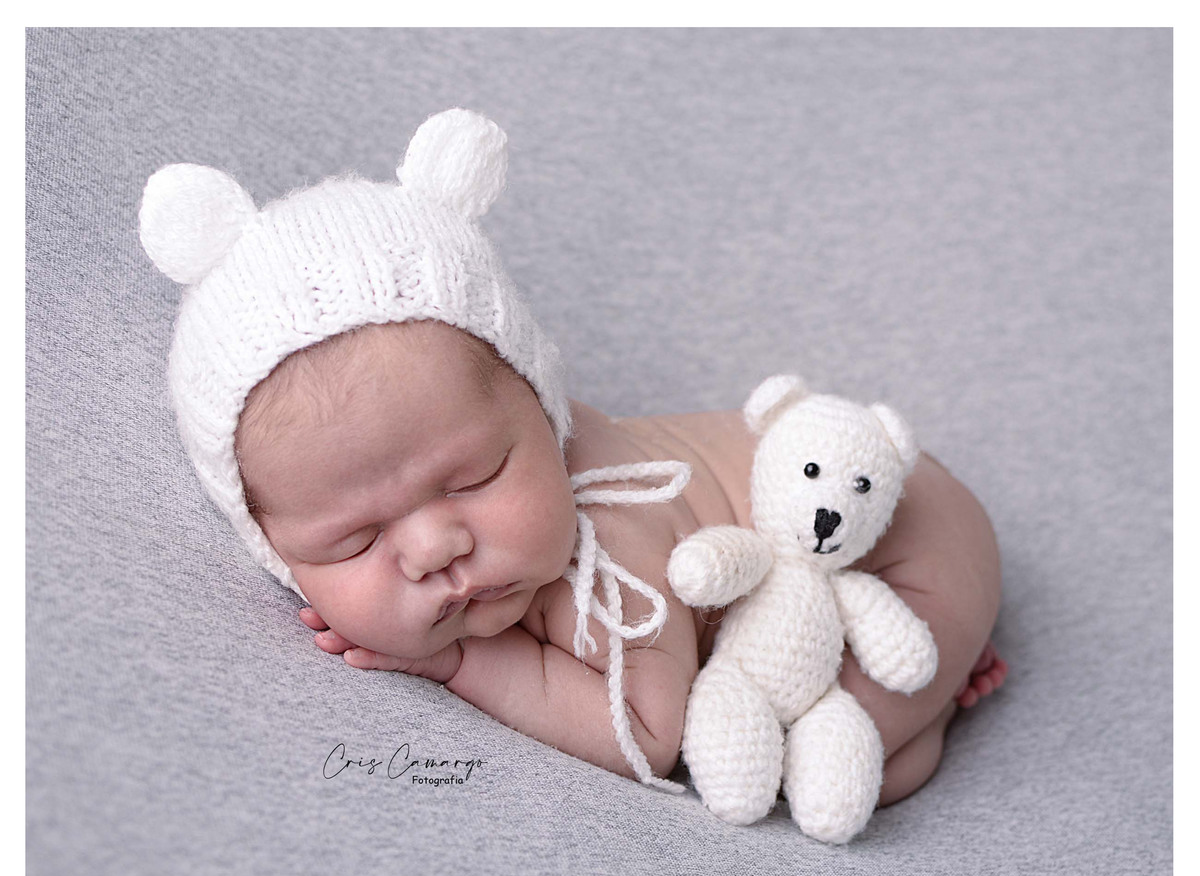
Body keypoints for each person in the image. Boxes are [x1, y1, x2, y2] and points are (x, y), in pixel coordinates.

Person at [140, 108, 1005, 810]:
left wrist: (463, 662)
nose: (435, 547)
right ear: (273, 547)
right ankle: (944, 687)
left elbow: (651, 735)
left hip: (911, 535)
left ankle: (936, 697)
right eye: (354, 539)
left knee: (824, 758)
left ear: (545, 412)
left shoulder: (606, 548)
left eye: (474, 479)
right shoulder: (480, 474)